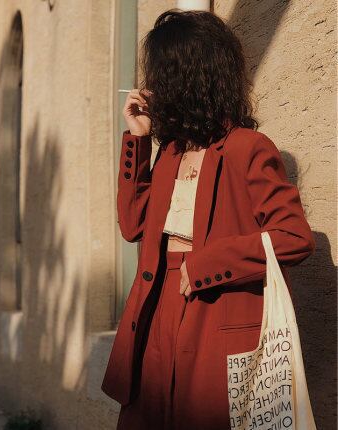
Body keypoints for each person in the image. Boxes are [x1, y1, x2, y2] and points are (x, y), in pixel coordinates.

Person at [101, 9, 315, 430]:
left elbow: (294, 237)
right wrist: (138, 140)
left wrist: (207, 264)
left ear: (189, 76)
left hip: (216, 311)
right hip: (157, 309)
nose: (153, 85)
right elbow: (132, 225)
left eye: (162, 73)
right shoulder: (170, 153)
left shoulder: (248, 148)